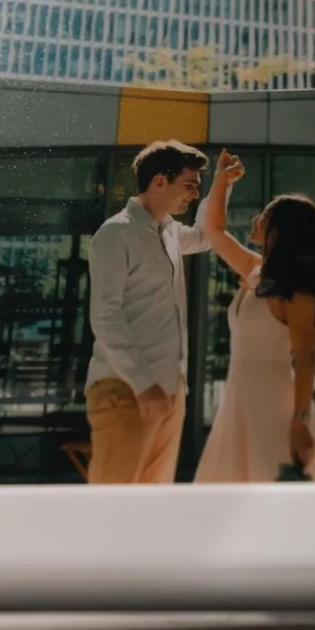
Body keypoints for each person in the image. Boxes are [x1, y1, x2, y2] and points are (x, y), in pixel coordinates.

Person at [194, 151, 315, 482]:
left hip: (276, 408)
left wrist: (300, 420)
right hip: (239, 404)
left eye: (267, 214)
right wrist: (221, 180)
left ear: (281, 230)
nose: (257, 218)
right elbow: (213, 230)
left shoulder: (297, 291)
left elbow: (306, 357)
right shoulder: (257, 271)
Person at [84, 138, 210, 483]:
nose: (195, 194)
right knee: (114, 503)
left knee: (153, 504)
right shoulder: (116, 233)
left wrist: (225, 186)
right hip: (126, 390)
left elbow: (206, 235)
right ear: (159, 182)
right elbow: (105, 317)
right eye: (189, 185)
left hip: (167, 391)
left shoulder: (169, 232)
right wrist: (142, 383)